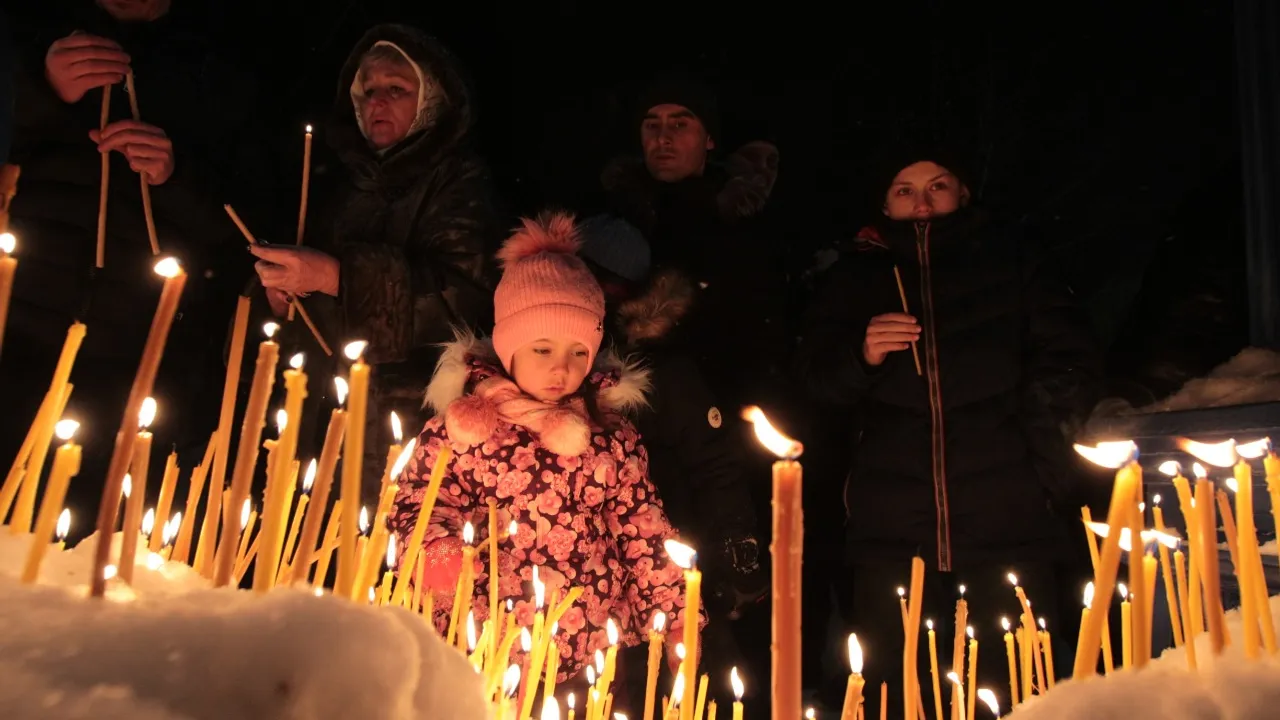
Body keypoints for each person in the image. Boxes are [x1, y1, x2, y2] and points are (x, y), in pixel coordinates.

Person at [794, 143, 1102, 713]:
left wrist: (1042, 468)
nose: (922, 204)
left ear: (963, 191)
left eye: (936, 185)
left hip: (1007, 519)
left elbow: (1068, 362)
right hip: (892, 533)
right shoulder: (854, 277)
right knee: (900, 694)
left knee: (1012, 690)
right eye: (904, 190)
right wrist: (861, 355)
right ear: (884, 204)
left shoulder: (1012, 260)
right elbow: (816, 387)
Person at [390, 212, 701, 694]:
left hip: (584, 652)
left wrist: (677, 613)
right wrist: (436, 550)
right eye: (542, 350)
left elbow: (644, 532)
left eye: (578, 352)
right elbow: (417, 500)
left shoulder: (608, 438)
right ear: (508, 346)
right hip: (482, 643)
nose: (562, 368)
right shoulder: (463, 430)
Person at [0, 0, 267, 518]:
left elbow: (243, 227)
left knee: (92, 529)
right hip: (18, 328)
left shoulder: (217, 63)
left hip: (139, 348)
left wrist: (173, 174)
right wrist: (40, 89)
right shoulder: (30, 27)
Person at [250, 24, 497, 491]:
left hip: (411, 421)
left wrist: (338, 278)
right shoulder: (341, 183)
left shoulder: (461, 181)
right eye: (367, 91)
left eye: (396, 89)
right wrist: (281, 296)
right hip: (323, 412)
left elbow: (463, 297)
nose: (377, 102)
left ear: (432, 97)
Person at [577, 213, 766, 697]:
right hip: (574, 587)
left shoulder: (662, 373)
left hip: (664, 566)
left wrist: (735, 557)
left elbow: (715, 465)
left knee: (686, 687)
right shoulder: (536, 362)